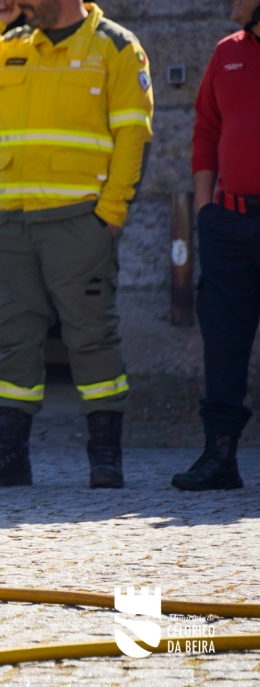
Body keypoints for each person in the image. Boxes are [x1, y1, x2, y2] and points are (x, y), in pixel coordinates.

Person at [0, 0, 153, 489]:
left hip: (78, 220)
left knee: (92, 333)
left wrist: (110, 216)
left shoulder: (115, 45)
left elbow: (133, 135)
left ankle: (105, 455)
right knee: (11, 336)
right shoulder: (8, 45)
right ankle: (10, 454)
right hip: (10, 219)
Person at [172, 0, 260, 491]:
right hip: (229, 223)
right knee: (223, 343)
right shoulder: (227, 52)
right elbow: (206, 129)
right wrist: (206, 210)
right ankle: (220, 457)